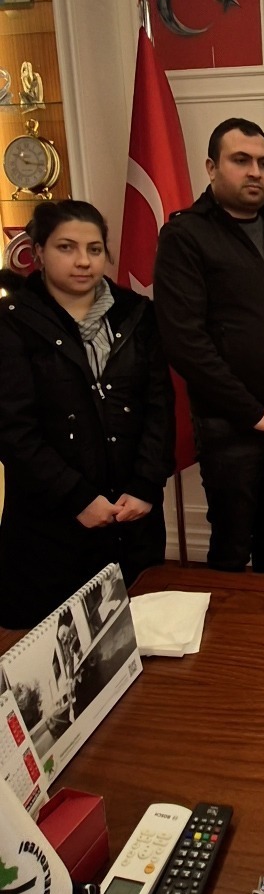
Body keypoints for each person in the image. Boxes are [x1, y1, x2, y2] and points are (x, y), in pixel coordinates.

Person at [153, 117, 264, 574]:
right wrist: (253, 413)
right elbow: (185, 342)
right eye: (241, 160)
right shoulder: (185, 236)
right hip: (231, 426)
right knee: (232, 547)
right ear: (212, 168)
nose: (255, 171)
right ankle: (230, 624)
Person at [0, 200, 174, 629]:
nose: (83, 261)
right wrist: (77, 498)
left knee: (138, 636)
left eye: (94, 249)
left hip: (131, 515)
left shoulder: (137, 313)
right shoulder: (11, 321)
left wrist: (145, 486)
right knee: (58, 645)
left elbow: (159, 408)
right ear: (38, 253)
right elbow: (13, 431)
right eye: (67, 247)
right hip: (51, 524)